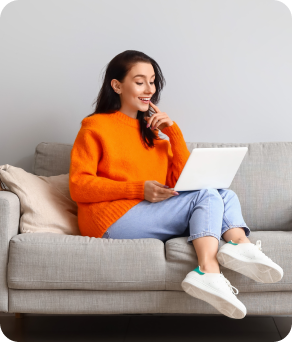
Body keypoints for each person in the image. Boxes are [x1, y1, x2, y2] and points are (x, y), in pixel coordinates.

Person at [69, 50, 283, 320]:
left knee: (223, 194)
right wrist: (138, 189)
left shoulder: (153, 134)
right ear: (117, 85)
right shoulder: (94, 127)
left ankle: (240, 245)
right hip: (109, 220)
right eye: (140, 81)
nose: (149, 89)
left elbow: (182, 182)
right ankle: (208, 270)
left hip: (147, 211)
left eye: (152, 81)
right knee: (206, 196)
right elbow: (79, 186)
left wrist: (173, 132)